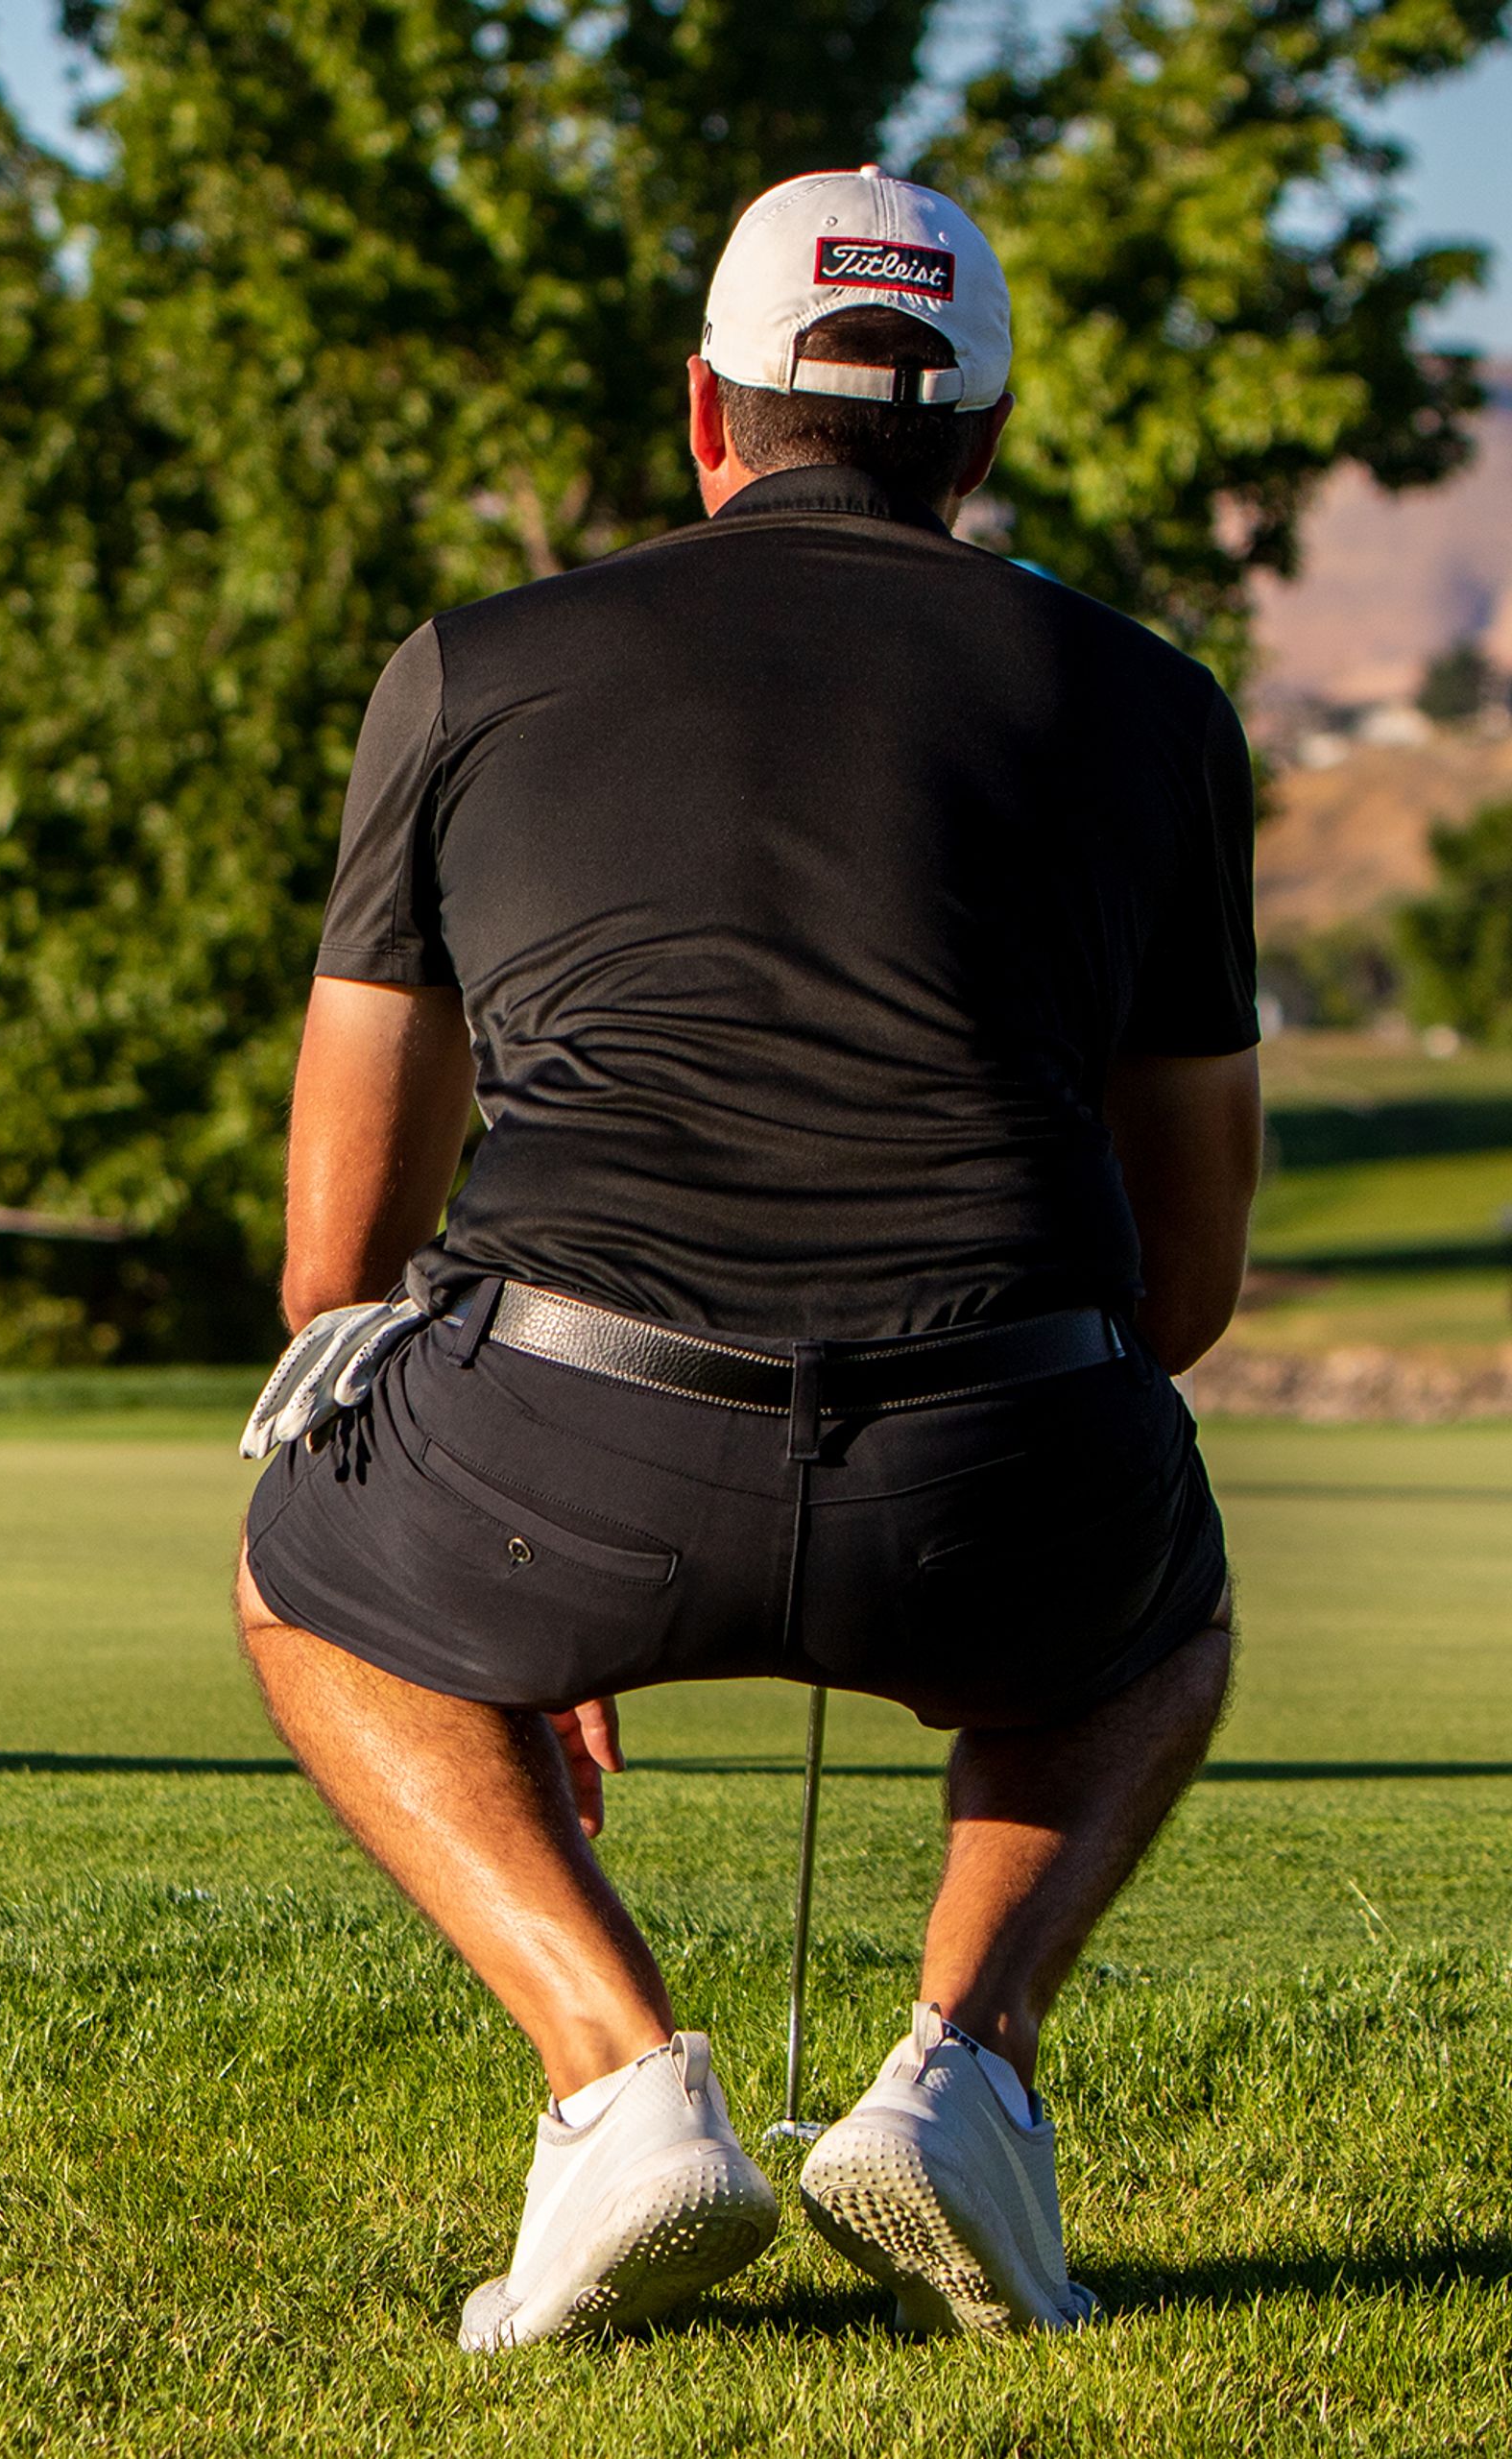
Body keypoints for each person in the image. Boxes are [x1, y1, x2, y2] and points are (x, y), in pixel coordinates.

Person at [234, 169, 1258, 2349]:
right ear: (975, 440)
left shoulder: (466, 666)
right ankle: (960, 2077)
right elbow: (1183, 1288)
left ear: (705, 411)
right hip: (1009, 1468)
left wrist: (490, 1536)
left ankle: (617, 2088)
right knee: (1158, 1609)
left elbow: (337, 1261)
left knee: (294, 1559)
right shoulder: (1154, 705)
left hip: (553, 1448)